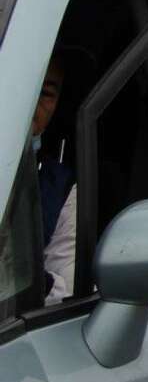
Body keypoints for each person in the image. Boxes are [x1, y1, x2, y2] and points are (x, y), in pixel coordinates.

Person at [34, 55, 78, 304]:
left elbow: (66, 292)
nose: (30, 102)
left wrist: (27, 278)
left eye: (45, 93)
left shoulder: (61, 189)